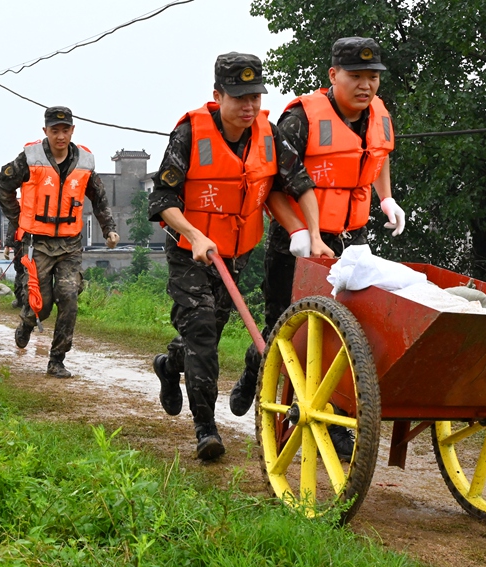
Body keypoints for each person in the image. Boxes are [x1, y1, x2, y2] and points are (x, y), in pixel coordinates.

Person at [229, 37, 405, 460]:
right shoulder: (300, 119)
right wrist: (297, 231)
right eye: (356, 76)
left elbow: (376, 158)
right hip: (297, 241)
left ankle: (332, 418)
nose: (366, 86)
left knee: (346, 332)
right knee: (288, 331)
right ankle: (259, 372)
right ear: (333, 75)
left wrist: (386, 198)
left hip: (350, 239)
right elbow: (269, 184)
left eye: (373, 77)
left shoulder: (378, 115)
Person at [148, 52, 323, 461]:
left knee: (206, 331)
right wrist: (193, 234)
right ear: (217, 95)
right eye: (239, 98)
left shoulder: (269, 133)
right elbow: (162, 199)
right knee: (203, 331)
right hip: (190, 250)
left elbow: (298, 183)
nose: (249, 107)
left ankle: (168, 364)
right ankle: (206, 428)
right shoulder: (190, 133)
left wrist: (311, 234)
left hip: (237, 252)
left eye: (255, 98)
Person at [0, 106, 119, 378]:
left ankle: (57, 359)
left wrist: (109, 228)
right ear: (45, 131)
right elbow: (2, 184)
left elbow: (98, 198)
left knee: (69, 297)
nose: (60, 136)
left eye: (65, 130)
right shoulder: (30, 158)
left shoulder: (85, 161)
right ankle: (27, 323)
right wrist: (18, 219)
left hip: (70, 244)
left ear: (72, 130)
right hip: (37, 242)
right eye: (54, 131)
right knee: (43, 303)